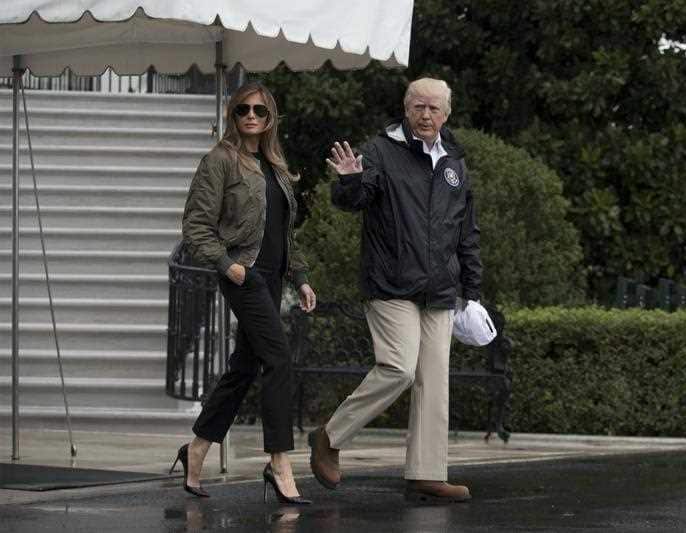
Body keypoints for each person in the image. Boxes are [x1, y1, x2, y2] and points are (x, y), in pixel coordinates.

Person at [308, 78, 481, 503]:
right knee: (399, 369)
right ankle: (330, 437)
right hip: (390, 283)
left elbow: (466, 231)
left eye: (434, 108)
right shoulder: (381, 151)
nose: (426, 115)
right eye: (418, 106)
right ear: (406, 109)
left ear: (447, 113)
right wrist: (349, 181)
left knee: (433, 381)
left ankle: (426, 473)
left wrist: (472, 289)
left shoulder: (455, 162)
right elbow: (354, 199)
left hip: (440, 289)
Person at [173, 82, 316, 504]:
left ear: (270, 117)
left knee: (245, 366)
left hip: (273, 276)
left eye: (259, 110)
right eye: (242, 110)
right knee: (277, 357)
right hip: (245, 275)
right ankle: (279, 461)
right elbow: (196, 226)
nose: (251, 116)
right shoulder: (219, 161)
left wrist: (301, 277)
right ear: (232, 115)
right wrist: (227, 265)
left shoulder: (274, 165)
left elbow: (284, 234)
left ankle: (196, 448)